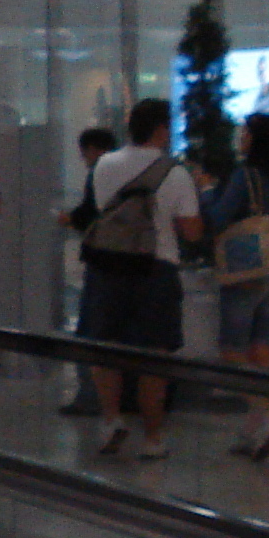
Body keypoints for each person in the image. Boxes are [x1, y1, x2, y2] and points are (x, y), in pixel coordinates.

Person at [80, 97, 203, 457]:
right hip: (156, 269)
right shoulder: (175, 172)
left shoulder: (103, 164)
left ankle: (112, 420)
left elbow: (97, 209)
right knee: (154, 356)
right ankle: (152, 438)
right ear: (161, 129)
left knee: (106, 347)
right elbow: (192, 232)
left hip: (107, 266)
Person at [204, 113, 269, 460]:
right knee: (262, 349)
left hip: (245, 270)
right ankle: (254, 424)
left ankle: (266, 415)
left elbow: (218, 217)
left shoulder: (245, 176)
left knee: (231, 348)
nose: (240, 137)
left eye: (245, 132)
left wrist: (208, 191)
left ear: (255, 139)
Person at [56, 126, 119, 416]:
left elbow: (89, 214)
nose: (84, 160)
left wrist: (69, 219)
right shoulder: (127, 173)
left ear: (94, 149)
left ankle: (90, 396)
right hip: (128, 260)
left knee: (89, 330)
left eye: (85, 154)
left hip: (102, 260)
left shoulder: (101, 173)